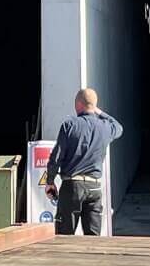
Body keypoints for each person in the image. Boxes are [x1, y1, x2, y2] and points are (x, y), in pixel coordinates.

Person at [42, 87, 124, 236]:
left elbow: (56, 157)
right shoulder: (106, 127)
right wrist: (98, 111)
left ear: (78, 104)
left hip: (72, 187)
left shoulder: (69, 125)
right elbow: (119, 127)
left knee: (64, 237)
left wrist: (50, 181)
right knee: (93, 238)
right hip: (95, 188)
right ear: (94, 105)